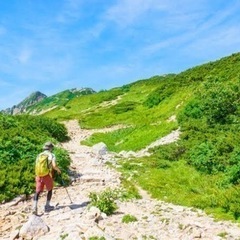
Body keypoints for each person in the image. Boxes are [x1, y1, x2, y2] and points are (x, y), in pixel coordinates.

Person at [32, 141, 61, 214]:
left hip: (38, 175)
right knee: (50, 189)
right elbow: (54, 166)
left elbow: (36, 165)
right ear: (51, 148)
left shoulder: (39, 155)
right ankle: (47, 205)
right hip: (47, 175)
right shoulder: (52, 155)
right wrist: (58, 170)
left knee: (37, 191)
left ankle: (34, 207)